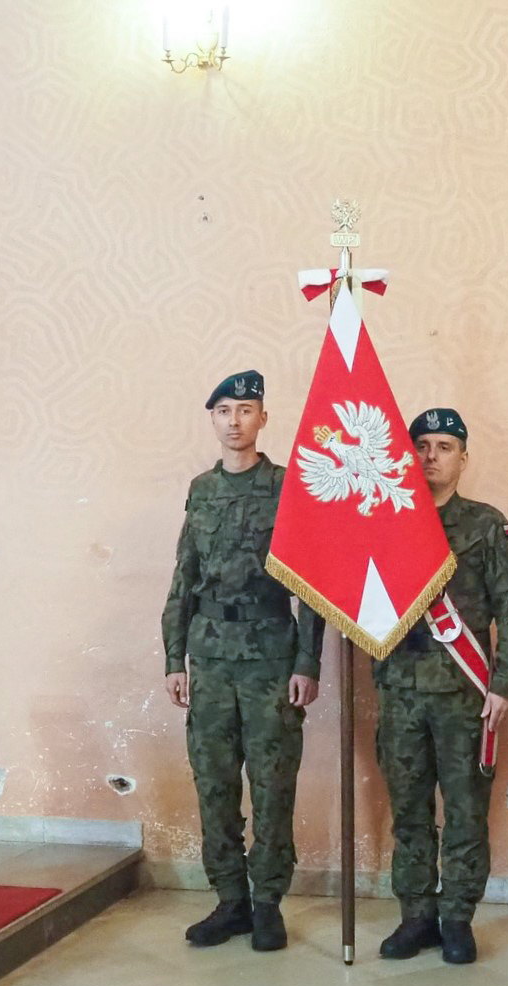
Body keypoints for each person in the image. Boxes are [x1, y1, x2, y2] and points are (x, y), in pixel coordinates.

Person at [162, 370, 325, 952]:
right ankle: (230, 901)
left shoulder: (286, 486)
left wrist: (308, 663)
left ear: (263, 419)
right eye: (224, 411)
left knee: (273, 784)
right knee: (214, 783)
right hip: (209, 658)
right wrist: (174, 658)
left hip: (270, 658)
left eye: (246, 410)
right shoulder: (202, 490)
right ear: (213, 419)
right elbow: (183, 578)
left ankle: (268, 903)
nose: (235, 421)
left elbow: (309, 585)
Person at [372, 408, 508, 965]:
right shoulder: (385, 521)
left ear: (463, 458)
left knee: (465, 812)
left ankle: (458, 917)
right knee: (410, 811)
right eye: (421, 445)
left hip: (466, 694)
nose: (431, 456)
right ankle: (416, 916)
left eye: (444, 446)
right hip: (400, 690)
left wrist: (504, 684)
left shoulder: (486, 525)